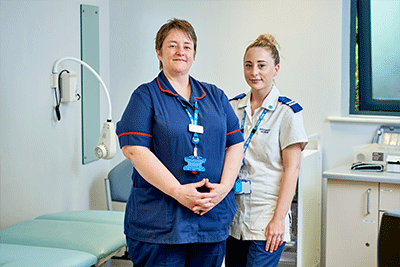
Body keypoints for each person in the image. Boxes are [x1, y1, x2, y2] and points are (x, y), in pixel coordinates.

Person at [116, 18, 244, 267]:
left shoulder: (215, 96)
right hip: (160, 224)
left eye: (187, 46)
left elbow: (235, 143)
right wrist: (178, 191)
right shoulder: (145, 96)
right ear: (158, 52)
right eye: (172, 46)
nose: (180, 52)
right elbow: (134, 150)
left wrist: (224, 188)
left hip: (210, 218)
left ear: (194, 53)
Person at [225, 34, 308, 267]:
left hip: (266, 218)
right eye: (248, 65)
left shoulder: (287, 113)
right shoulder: (233, 107)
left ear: (276, 69)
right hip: (234, 216)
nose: (254, 72)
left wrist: (279, 220)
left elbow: (292, 171)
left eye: (262, 66)